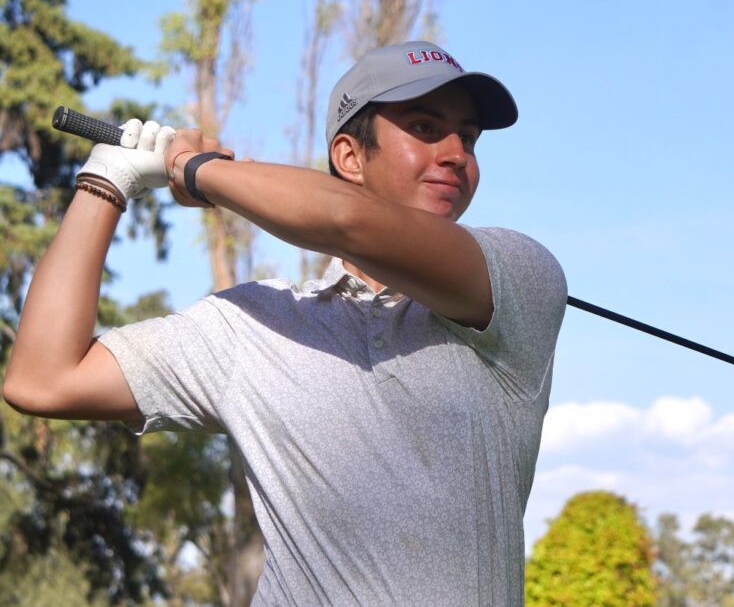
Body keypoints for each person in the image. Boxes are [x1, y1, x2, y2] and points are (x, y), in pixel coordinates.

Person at [4, 41, 567, 605]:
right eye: (424, 127)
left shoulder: (519, 278)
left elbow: (346, 220)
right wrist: (106, 182)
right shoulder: (255, 325)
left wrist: (195, 169)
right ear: (349, 157)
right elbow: (42, 378)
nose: (455, 154)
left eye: (467, 137)